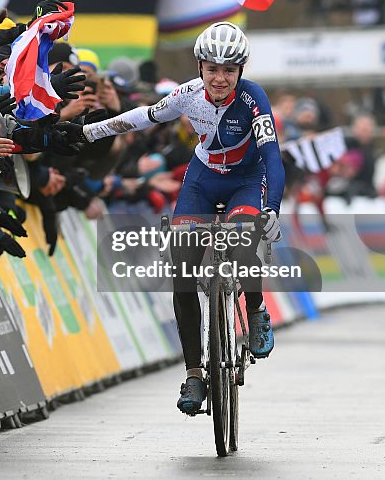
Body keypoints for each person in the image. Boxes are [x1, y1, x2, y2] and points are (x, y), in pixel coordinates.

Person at [81, 21, 284, 415]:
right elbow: (144, 116)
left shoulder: (254, 98)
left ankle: (257, 310)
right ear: (199, 68)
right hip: (202, 180)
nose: (220, 78)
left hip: (247, 179)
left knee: (243, 240)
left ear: (241, 70)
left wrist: (271, 208)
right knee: (184, 272)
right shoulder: (189, 96)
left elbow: (272, 158)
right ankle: (194, 373)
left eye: (229, 70)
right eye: (212, 69)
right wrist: (91, 132)